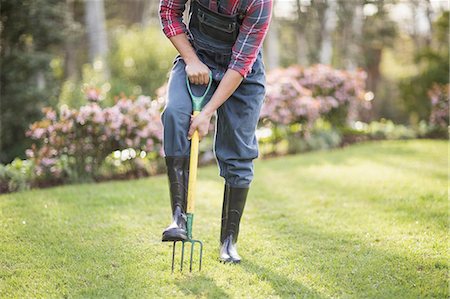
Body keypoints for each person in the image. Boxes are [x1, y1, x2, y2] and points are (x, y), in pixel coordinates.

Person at [158, 0, 272, 263]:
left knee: (239, 152)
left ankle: (228, 243)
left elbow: (241, 63)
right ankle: (178, 217)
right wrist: (191, 60)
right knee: (175, 114)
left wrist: (207, 112)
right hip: (197, 56)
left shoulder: (259, 2)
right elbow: (168, 12)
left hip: (242, 74)